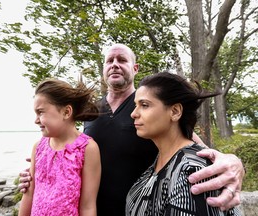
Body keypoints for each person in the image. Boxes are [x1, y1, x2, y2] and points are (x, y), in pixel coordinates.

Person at [19, 44, 244, 216]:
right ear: (104, 69)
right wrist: (39, 174)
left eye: (122, 60)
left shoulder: (151, 108)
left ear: (134, 69)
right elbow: (69, 148)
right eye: (109, 60)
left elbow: (189, 143)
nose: (115, 64)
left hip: (142, 207)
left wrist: (231, 160)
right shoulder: (90, 111)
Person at [125, 71, 241, 215]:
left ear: (175, 111)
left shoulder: (193, 172)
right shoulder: (161, 161)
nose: (133, 113)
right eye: (136, 105)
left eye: (144, 105)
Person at [18, 79, 101, 216]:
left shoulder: (87, 148)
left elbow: (87, 206)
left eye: (40, 112)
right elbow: (29, 196)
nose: (36, 120)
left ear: (66, 112)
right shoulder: (38, 148)